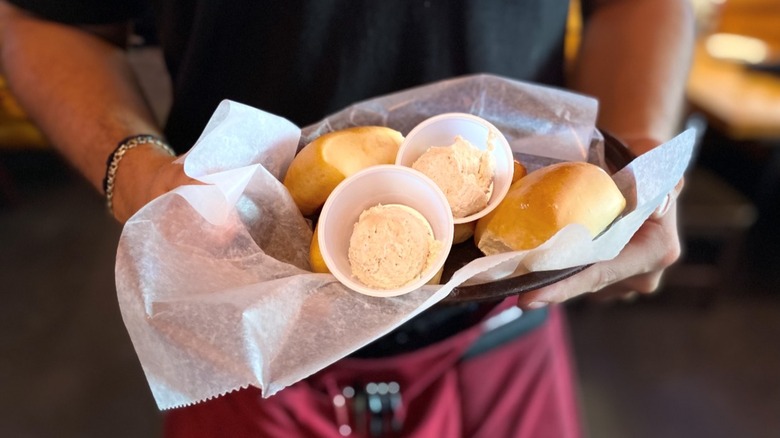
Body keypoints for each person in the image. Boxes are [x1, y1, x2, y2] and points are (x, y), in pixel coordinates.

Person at [0, 0, 693, 436]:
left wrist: (633, 158)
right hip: (251, 338)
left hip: (500, 323)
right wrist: (139, 175)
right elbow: (44, 17)